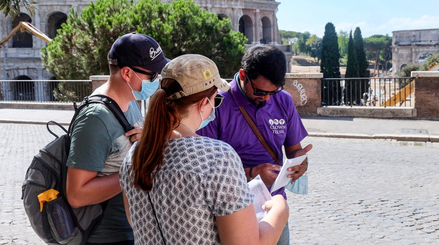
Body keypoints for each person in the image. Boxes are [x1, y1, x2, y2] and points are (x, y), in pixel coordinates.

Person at [120, 54, 289, 245]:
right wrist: (279, 211)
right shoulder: (217, 158)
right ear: (203, 103)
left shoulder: (134, 155)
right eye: (215, 100)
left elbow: (135, 221)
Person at [198, 45, 312, 245]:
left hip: (273, 207)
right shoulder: (216, 104)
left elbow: (294, 149)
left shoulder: (283, 100)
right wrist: (252, 172)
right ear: (243, 75)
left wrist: (299, 163)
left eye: (273, 92)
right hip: (229, 209)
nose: (267, 98)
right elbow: (204, 169)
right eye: (260, 91)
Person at [66, 32, 169, 245]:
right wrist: (137, 171)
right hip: (105, 236)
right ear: (127, 73)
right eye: (153, 75)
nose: (157, 80)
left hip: (130, 229)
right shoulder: (95, 118)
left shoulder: (130, 102)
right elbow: (76, 194)